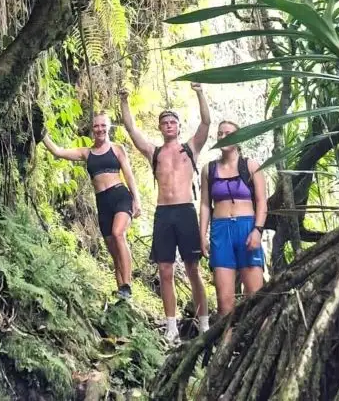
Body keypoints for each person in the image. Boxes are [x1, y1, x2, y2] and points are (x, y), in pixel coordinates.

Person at [119, 83, 210, 342]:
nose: (169, 125)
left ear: (178, 126)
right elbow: (132, 130)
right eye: (165, 122)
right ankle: (171, 327)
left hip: (185, 212)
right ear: (160, 127)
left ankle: (204, 323)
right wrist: (124, 101)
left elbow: (205, 123)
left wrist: (200, 92)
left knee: (193, 268)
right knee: (165, 270)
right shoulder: (154, 152)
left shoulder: (189, 149)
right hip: (163, 213)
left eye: (173, 122)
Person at [42, 112, 141, 299]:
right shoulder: (86, 153)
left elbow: (128, 175)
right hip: (102, 201)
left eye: (103, 125)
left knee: (119, 233)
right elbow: (58, 151)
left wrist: (137, 199)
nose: (100, 129)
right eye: (96, 126)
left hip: (120, 196)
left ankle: (127, 285)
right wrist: (42, 133)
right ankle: (122, 294)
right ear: (92, 129)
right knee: (113, 249)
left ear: (109, 127)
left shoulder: (118, 149)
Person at [200, 120, 268, 316]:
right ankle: (226, 343)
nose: (223, 137)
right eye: (220, 133)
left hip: (246, 228)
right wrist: (202, 235)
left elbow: (262, 201)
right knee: (224, 301)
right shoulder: (209, 169)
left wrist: (257, 230)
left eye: (228, 133)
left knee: (254, 296)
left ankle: (254, 342)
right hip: (220, 231)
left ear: (239, 138)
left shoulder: (251, 165)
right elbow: (205, 204)